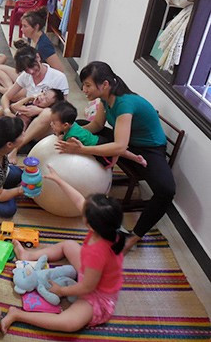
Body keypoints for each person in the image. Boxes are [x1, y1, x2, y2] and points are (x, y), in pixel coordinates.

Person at [55, 61, 175, 253]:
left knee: (166, 191)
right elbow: (96, 126)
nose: (84, 89)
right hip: (128, 141)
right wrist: (71, 133)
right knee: (79, 123)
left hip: (149, 149)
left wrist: (81, 149)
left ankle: (134, 236)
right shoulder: (105, 98)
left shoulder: (124, 104)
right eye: (84, 85)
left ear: (104, 85)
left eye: (87, 85)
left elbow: (120, 146)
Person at [1, 165, 125, 334]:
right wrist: (59, 180)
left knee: (69, 323)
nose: (82, 210)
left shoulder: (99, 253)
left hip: (95, 292)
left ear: (91, 225)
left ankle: (18, 315)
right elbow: (79, 201)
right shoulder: (107, 229)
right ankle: (28, 254)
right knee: (68, 245)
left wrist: (61, 290)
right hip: (88, 272)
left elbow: (86, 287)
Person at [0, 46, 69, 163]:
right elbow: (6, 97)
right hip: (26, 116)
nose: (31, 72)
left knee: (47, 113)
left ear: (38, 57)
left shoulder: (58, 78)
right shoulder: (26, 76)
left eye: (32, 66)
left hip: (46, 124)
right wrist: (7, 111)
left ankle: (15, 149)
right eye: (26, 70)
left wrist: (38, 111)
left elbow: (64, 111)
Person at [0, 6, 65, 90]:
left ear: (36, 27)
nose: (22, 29)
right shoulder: (31, 37)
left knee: (14, 94)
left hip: (38, 83)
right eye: (22, 26)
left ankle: (3, 89)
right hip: (28, 76)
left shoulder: (44, 45)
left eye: (25, 26)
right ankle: (10, 88)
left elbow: (60, 71)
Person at [50, 101, 147, 168]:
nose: (51, 124)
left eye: (54, 123)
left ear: (65, 125)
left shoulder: (71, 138)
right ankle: (136, 157)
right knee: (120, 151)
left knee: (115, 153)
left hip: (97, 149)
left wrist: (59, 136)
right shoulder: (74, 124)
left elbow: (66, 149)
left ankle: (125, 156)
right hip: (98, 139)